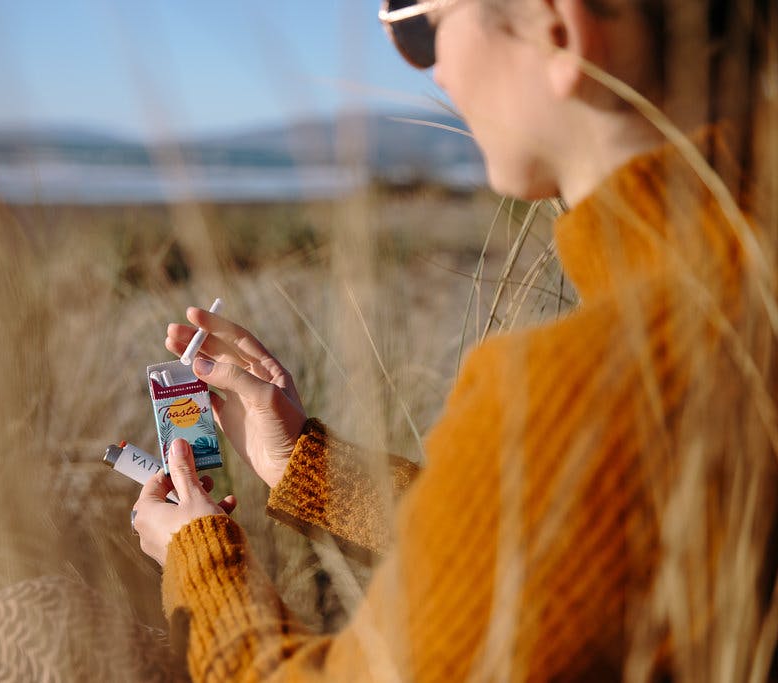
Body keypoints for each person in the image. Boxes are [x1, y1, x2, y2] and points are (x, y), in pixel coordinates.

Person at [131, 0, 778, 680]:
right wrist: (305, 464)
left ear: (558, 25)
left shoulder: (582, 393)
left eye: (419, 26)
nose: (434, 72)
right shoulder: (731, 296)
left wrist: (200, 557)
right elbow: (536, 550)